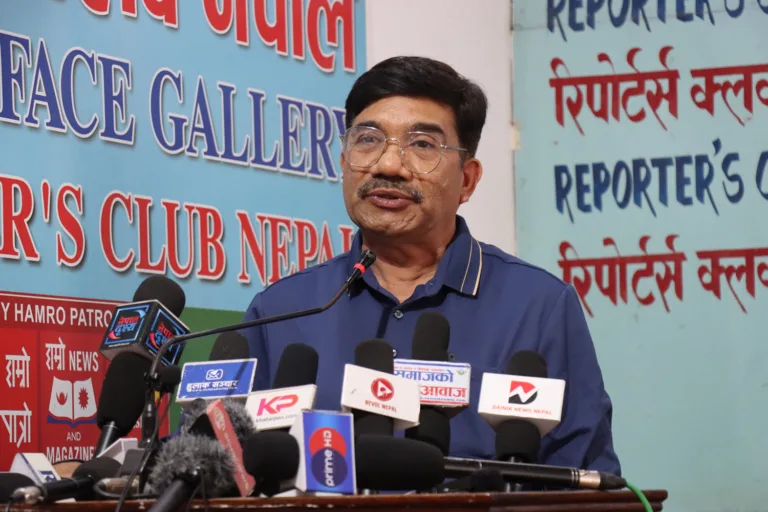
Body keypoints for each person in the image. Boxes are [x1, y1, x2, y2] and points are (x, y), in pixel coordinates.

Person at [241, 56, 621, 474]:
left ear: (468, 180)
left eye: (422, 145)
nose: (388, 165)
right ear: (344, 160)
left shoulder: (539, 307)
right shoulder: (281, 311)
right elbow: (232, 472)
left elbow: (586, 478)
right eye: (368, 139)